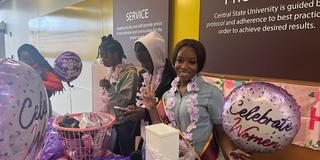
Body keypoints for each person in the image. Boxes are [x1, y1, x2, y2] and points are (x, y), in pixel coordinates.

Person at [143, 39, 252, 160]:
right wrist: (152, 108)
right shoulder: (168, 95)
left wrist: (231, 153)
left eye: (192, 62)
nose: (184, 66)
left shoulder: (211, 93)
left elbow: (221, 134)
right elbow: (161, 129)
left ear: (199, 65)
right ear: (174, 62)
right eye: (180, 60)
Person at [121, 32, 176, 159]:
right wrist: (134, 108)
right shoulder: (143, 75)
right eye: (141, 62)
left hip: (165, 135)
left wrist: (145, 113)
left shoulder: (172, 79)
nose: (143, 66)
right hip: (146, 132)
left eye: (146, 62)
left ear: (156, 56)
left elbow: (170, 111)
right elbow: (140, 100)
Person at [97, 34, 138, 156]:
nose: (102, 59)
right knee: (112, 153)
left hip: (124, 123)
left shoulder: (130, 73)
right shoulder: (112, 71)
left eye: (105, 55)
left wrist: (109, 87)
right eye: (101, 56)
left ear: (115, 54)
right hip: (111, 123)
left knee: (125, 154)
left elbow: (124, 102)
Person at [17, 43, 63, 115]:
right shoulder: (20, 70)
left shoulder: (42, 68)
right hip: (26, 105)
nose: (25, 61)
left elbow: (58, 85)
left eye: (27, 58)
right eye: (23, 58)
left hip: (42, 105)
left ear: (33, 57)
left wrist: (38, 82)